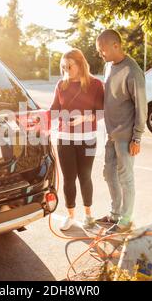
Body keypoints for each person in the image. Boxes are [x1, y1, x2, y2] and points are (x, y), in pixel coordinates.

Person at [95, 29, 147, 232]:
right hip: (111, 133)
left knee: (126, 178)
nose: (101, 54)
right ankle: (114, 214)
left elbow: (141, 106)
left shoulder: (132, 71)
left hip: (126, 136)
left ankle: (125, 221)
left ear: (115, 45)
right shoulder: (109, 67)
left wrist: (137, 138)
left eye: (102, 50)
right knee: (109, 173)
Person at [50, 48, 104, 231]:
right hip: (65, 139)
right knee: (68, 179)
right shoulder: (61, 85)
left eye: (69, 66)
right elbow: (54, 110)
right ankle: (71, 215)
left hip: (87, 138)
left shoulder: (95, 84)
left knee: (85, 177)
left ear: (80, 64)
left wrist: (84, 118)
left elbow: (101, 111)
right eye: (63, 67)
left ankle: (88, 215)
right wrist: (37, 120)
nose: (66, 70)